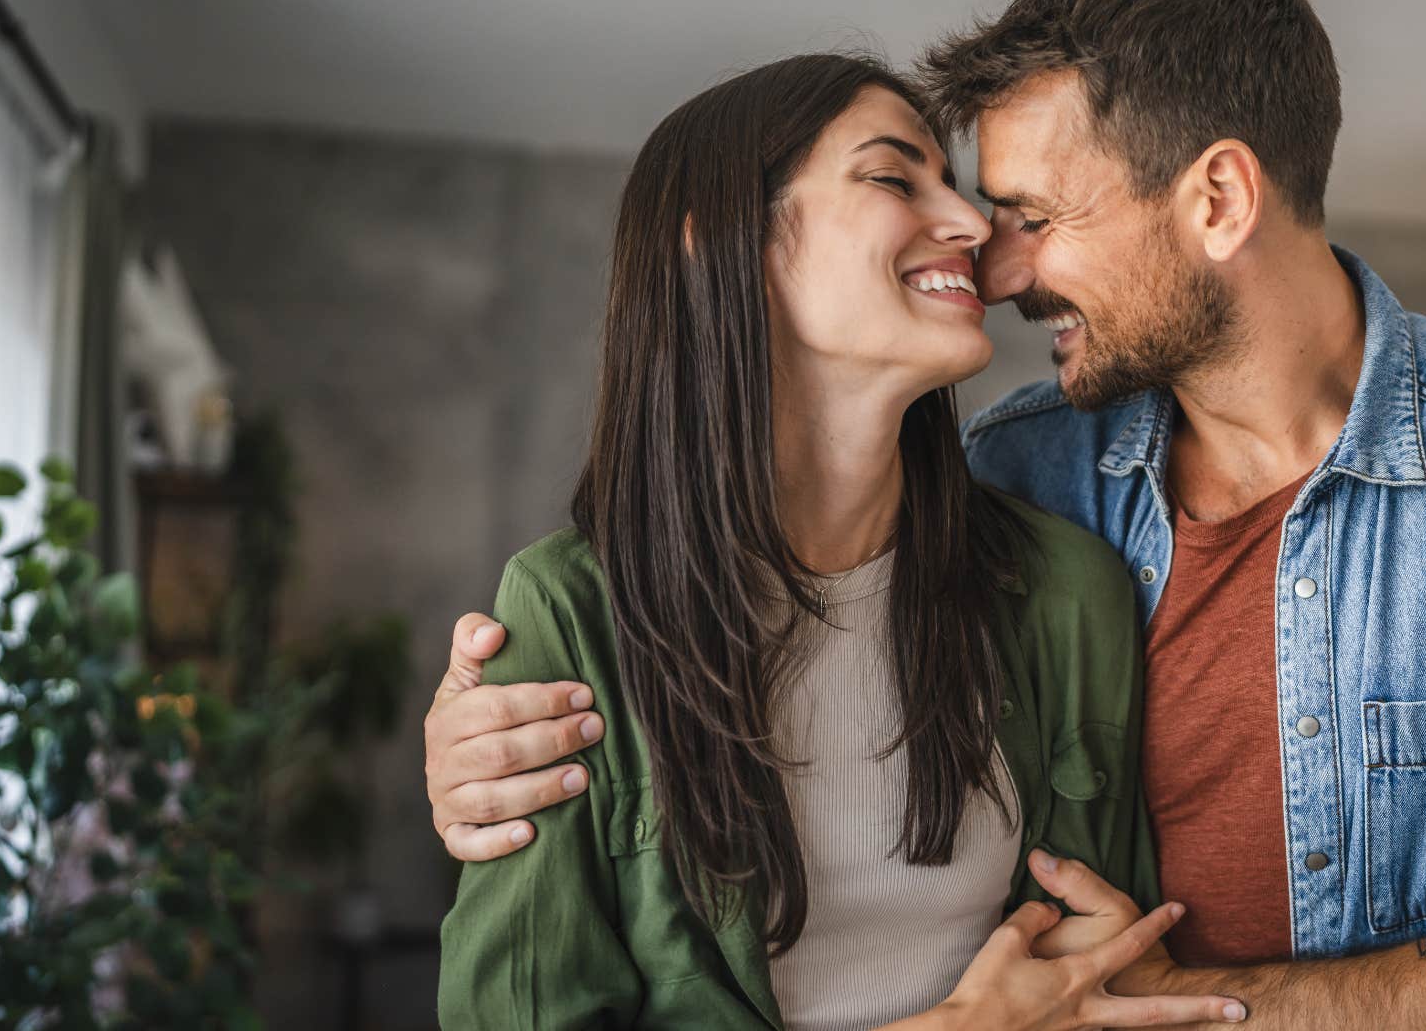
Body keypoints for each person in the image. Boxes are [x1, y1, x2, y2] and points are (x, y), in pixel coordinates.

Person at [427, 0, 1426, 1028]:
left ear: (1218, 197)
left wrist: (1177, 1003)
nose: (995, 267)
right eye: (950, 197)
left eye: (1032, 217)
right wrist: (481, 757)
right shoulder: (1019, 474)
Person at [433, 53, 1245, 1030]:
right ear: (720, 243)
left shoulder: (1063, 589)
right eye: (896, 177)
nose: (976, 224)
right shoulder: (567, 613)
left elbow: (1100, 976)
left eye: (950, 183)